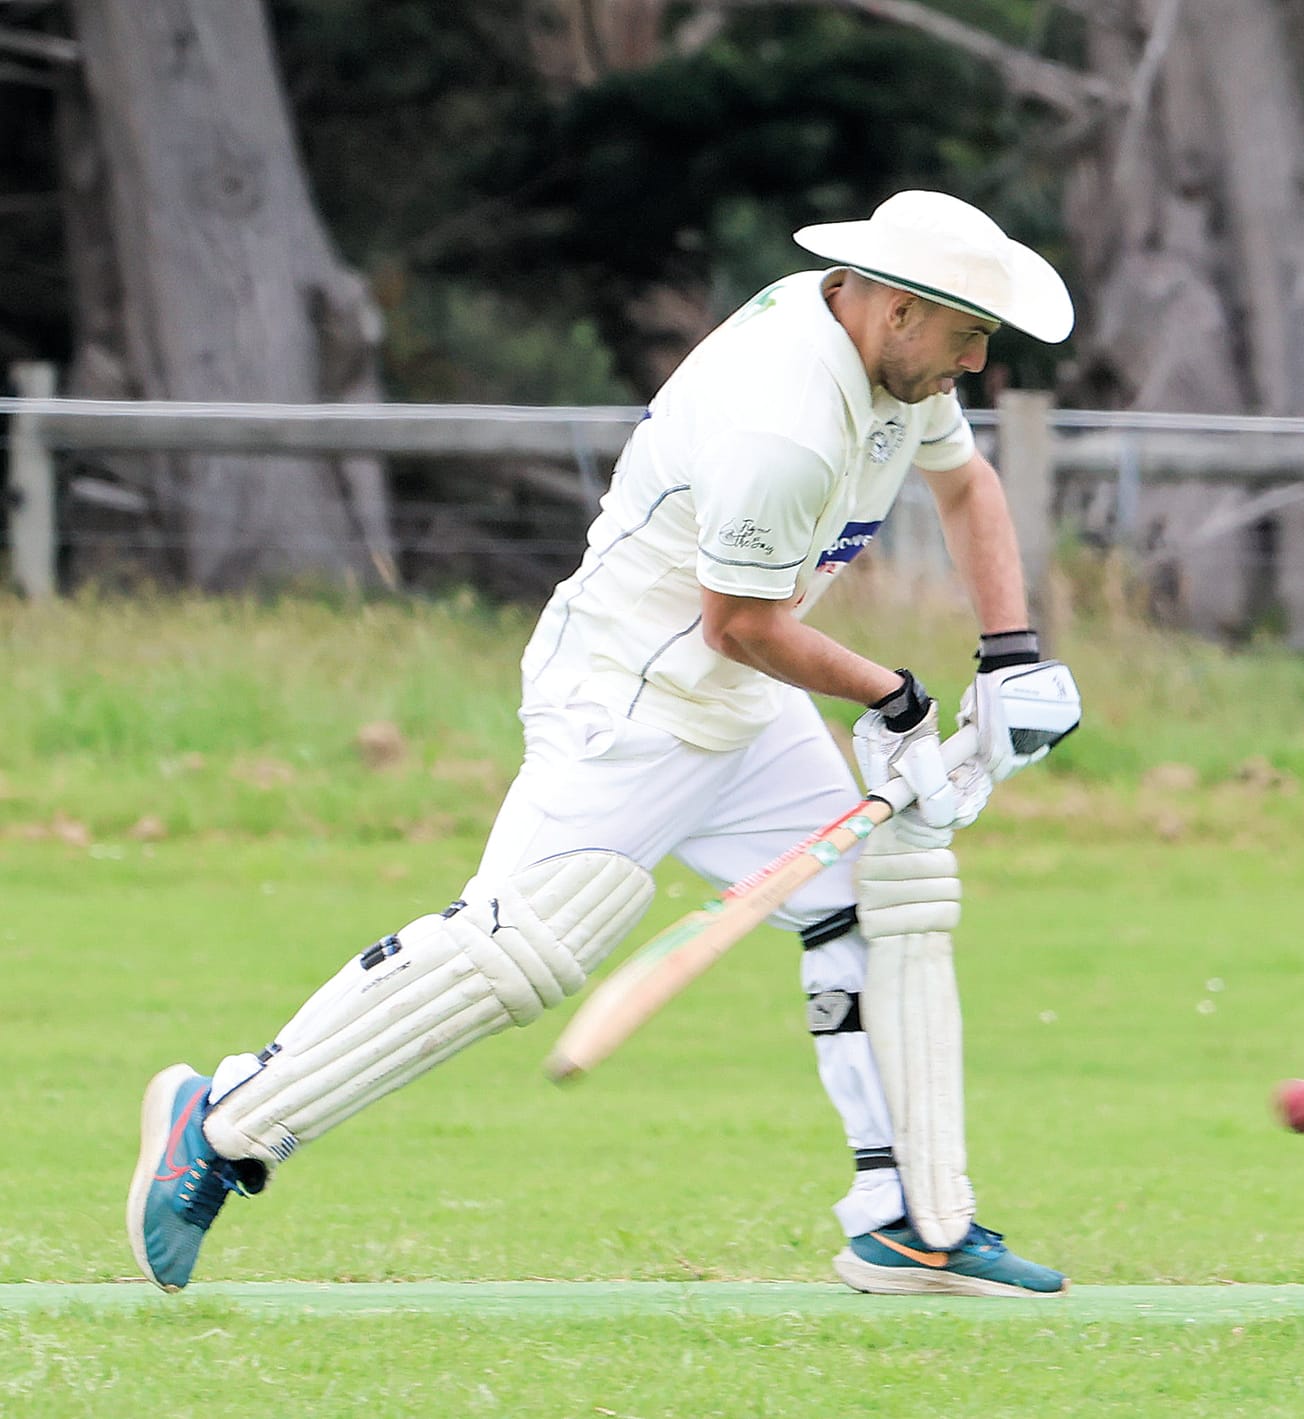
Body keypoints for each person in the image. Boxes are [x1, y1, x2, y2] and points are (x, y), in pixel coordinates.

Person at [128, 190, 1083, 1298]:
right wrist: (900, 702)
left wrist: (1010, 655)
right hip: (629, 698)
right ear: (901, 310)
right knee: (519, 951)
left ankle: (912, 1221)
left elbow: (964, 487)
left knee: (881, 901)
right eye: (969, 334)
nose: (977, 359)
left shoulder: (895, 361)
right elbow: (740, 622)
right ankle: (225, 1119)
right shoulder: (783, 420)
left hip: (741, 698)